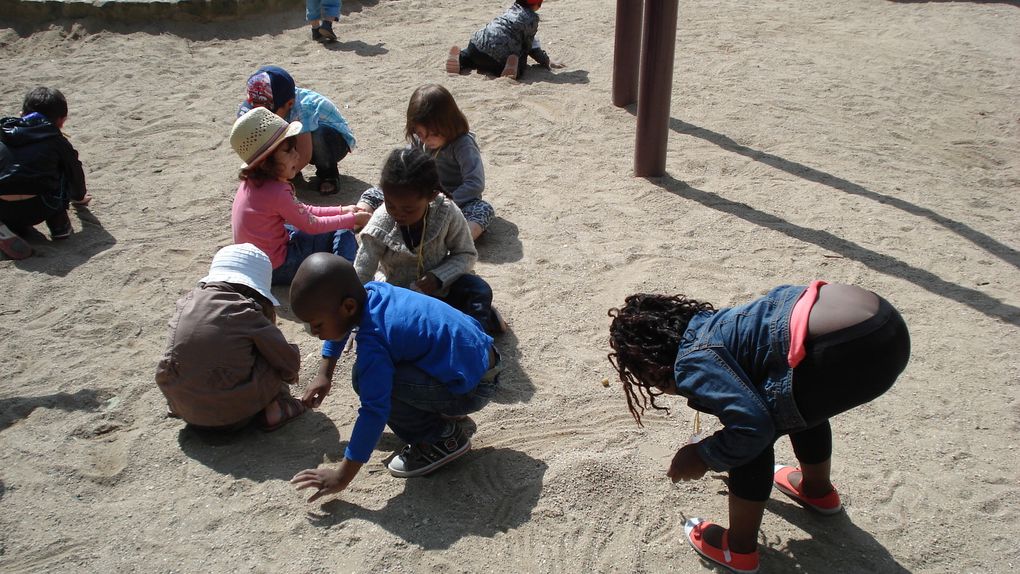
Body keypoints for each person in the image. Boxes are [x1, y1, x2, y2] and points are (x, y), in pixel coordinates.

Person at [607, 281, 910, 574]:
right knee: (793, 390)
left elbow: (752, 428)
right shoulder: (713, 324)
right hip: (882, 322)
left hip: (854, 347)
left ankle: (738, 549)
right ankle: (816, 491)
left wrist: (702, 455)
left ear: (648, 366)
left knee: (750, 433)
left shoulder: (690, 362)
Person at [288, 253, 502, 501]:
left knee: (366, 380)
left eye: (316, 325)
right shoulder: (372, 292)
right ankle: (443, 407)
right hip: (483, 361)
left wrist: (341, 476)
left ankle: (439, 438)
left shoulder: (374, 339)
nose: (314, 333)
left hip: (475, 387)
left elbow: (374, 411)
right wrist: (325, 373)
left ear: (348, 307)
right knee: (391, 364)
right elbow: (341, 327)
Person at [155, 243, 307, 432]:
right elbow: (288, 363)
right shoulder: (246, 311)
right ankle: (276, 407)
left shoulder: (185, 302)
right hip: (233, 417)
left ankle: (186, 405)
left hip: (184, 407)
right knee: (274, 358)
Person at [355, 147, 506, 334]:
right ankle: (469, 322)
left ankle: (478, 340)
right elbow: (361, 275)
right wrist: (357, 323)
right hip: (400, 299)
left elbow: (466, 254)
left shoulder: (447, 212)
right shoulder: (378, 226)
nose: (398, 213)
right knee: (400, 330)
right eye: (390, 204)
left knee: (478, 289)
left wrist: (438, 277)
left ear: (431, 196)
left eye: (408, 209)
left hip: (442, 291)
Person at [229, 106, 369, 285]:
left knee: (304, 224)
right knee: (342, 230)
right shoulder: (277, 192)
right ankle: (346, 280)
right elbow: (312, 224)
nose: (297, 155)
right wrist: (350, 220)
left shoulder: (253, 183)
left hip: (257, 263)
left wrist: (342, 210)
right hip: (277, 266)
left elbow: (302, 211)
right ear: (266, 163)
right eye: (289, 151)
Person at [356, 84, 493, 241]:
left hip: (455, 202)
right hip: (420, 199)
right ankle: (358, 219)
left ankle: (458, 241)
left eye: (433, 134)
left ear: (449, 124)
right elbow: (405, 169)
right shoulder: (418, 141)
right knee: (374, 192)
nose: (426, 140)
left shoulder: (463, 145)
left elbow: (474, 184)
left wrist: (446, 202)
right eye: (420, 134)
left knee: (483, 209)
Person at [0, 87, 90, 260]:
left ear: (21, 114)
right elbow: (74, 171)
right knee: (62, 167)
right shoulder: (56, 140)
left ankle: (6, 228)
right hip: (43, 207)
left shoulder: (2, 134)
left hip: (3, 209)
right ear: (62, 121)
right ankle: (58, 223)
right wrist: (78, 197)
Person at [238, 66, 356, 195]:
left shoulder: (303, 108)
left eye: (269, 111)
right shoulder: (266, 99)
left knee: (317, 134)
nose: (266, 115)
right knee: (272, 131)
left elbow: (305, 155)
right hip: (301, 136)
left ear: (289, 104)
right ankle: (290, 170)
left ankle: (328, 174)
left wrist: (275, 181)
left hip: (334, 142)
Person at [445, 0, 564, 80]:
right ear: (538, 4)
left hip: (477, 44)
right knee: (521, 61)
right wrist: (545, 61)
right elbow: (531, 47)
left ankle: (460, 58)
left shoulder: (511, 9)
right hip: (496, 57)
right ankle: (512, 69)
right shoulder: (532, 19)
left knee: (469, 57)